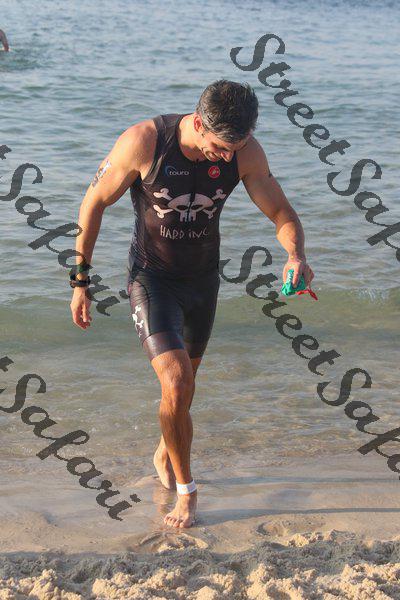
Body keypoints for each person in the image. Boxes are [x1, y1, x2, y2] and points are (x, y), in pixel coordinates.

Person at [70, 80, 314, 529]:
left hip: (203, 281)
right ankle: (187, 492)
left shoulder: (245, 152)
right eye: (220, 147)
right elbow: (93, 204)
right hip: (151, 278)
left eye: (234, 149)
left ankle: (165, 454)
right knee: (178, 381)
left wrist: (295, 255)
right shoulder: (145, 142)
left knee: (183, 390)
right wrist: (80, 281)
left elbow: (282, 213)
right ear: (199, 124)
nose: (225, 158)